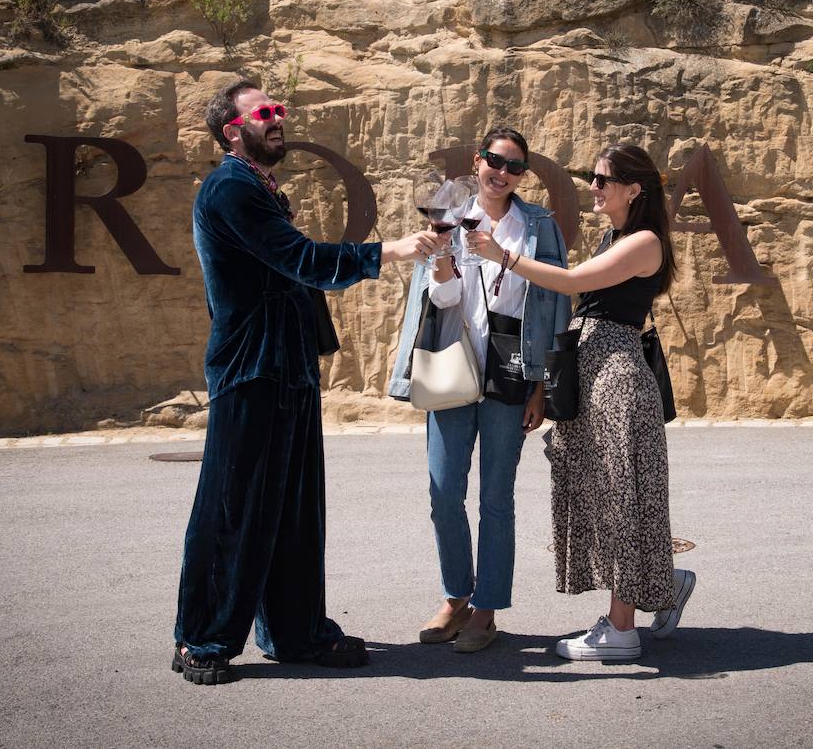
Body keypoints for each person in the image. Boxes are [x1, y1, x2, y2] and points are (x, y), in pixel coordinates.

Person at [173, 80, 442, 685]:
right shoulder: (230, 188)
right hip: (250, 366)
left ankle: (295, 632)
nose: (278, 119)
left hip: (287, 364)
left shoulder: (261, 185)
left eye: (280, 110)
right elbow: (301, 260)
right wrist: (391, 251)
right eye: (264, 113)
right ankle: (201, 637)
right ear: (232, 132)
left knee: (294, 510)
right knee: (234, 507)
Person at [469, 143, 695, 662]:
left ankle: (621, 631)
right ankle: (661, 581)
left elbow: (571, 283)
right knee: (602, 496)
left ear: (633, 190)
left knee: (619, 498)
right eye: (592, 178)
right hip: (593, 374)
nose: (592, 187)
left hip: (616, 380)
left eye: (602, 179)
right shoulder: (613, 236)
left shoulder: (643, 242)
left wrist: (503, 257)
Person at [387, 127, 572, 653]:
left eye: (515, 166)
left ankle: (486, 609)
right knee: (444, 492)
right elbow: (441, 299)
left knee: (495, 496)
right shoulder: (448, 216)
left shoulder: (538, 226)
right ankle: (456, 597)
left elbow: (554, 303)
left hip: (512, 369)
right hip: (452, 364)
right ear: (477, 161)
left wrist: (541, 387)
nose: (502, 172)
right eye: (495, 160)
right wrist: (443, 257)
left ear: (523, 175)